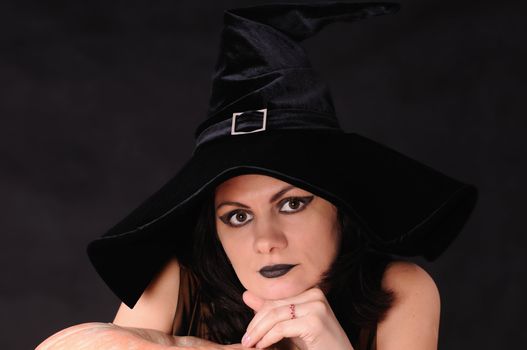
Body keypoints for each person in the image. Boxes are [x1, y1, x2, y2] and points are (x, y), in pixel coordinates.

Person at [36, 2, 478, 350]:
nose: (267, 240)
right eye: (237, 216)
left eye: (292, 204)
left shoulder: (401, 291)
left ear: (339, 206)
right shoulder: (177, 280)